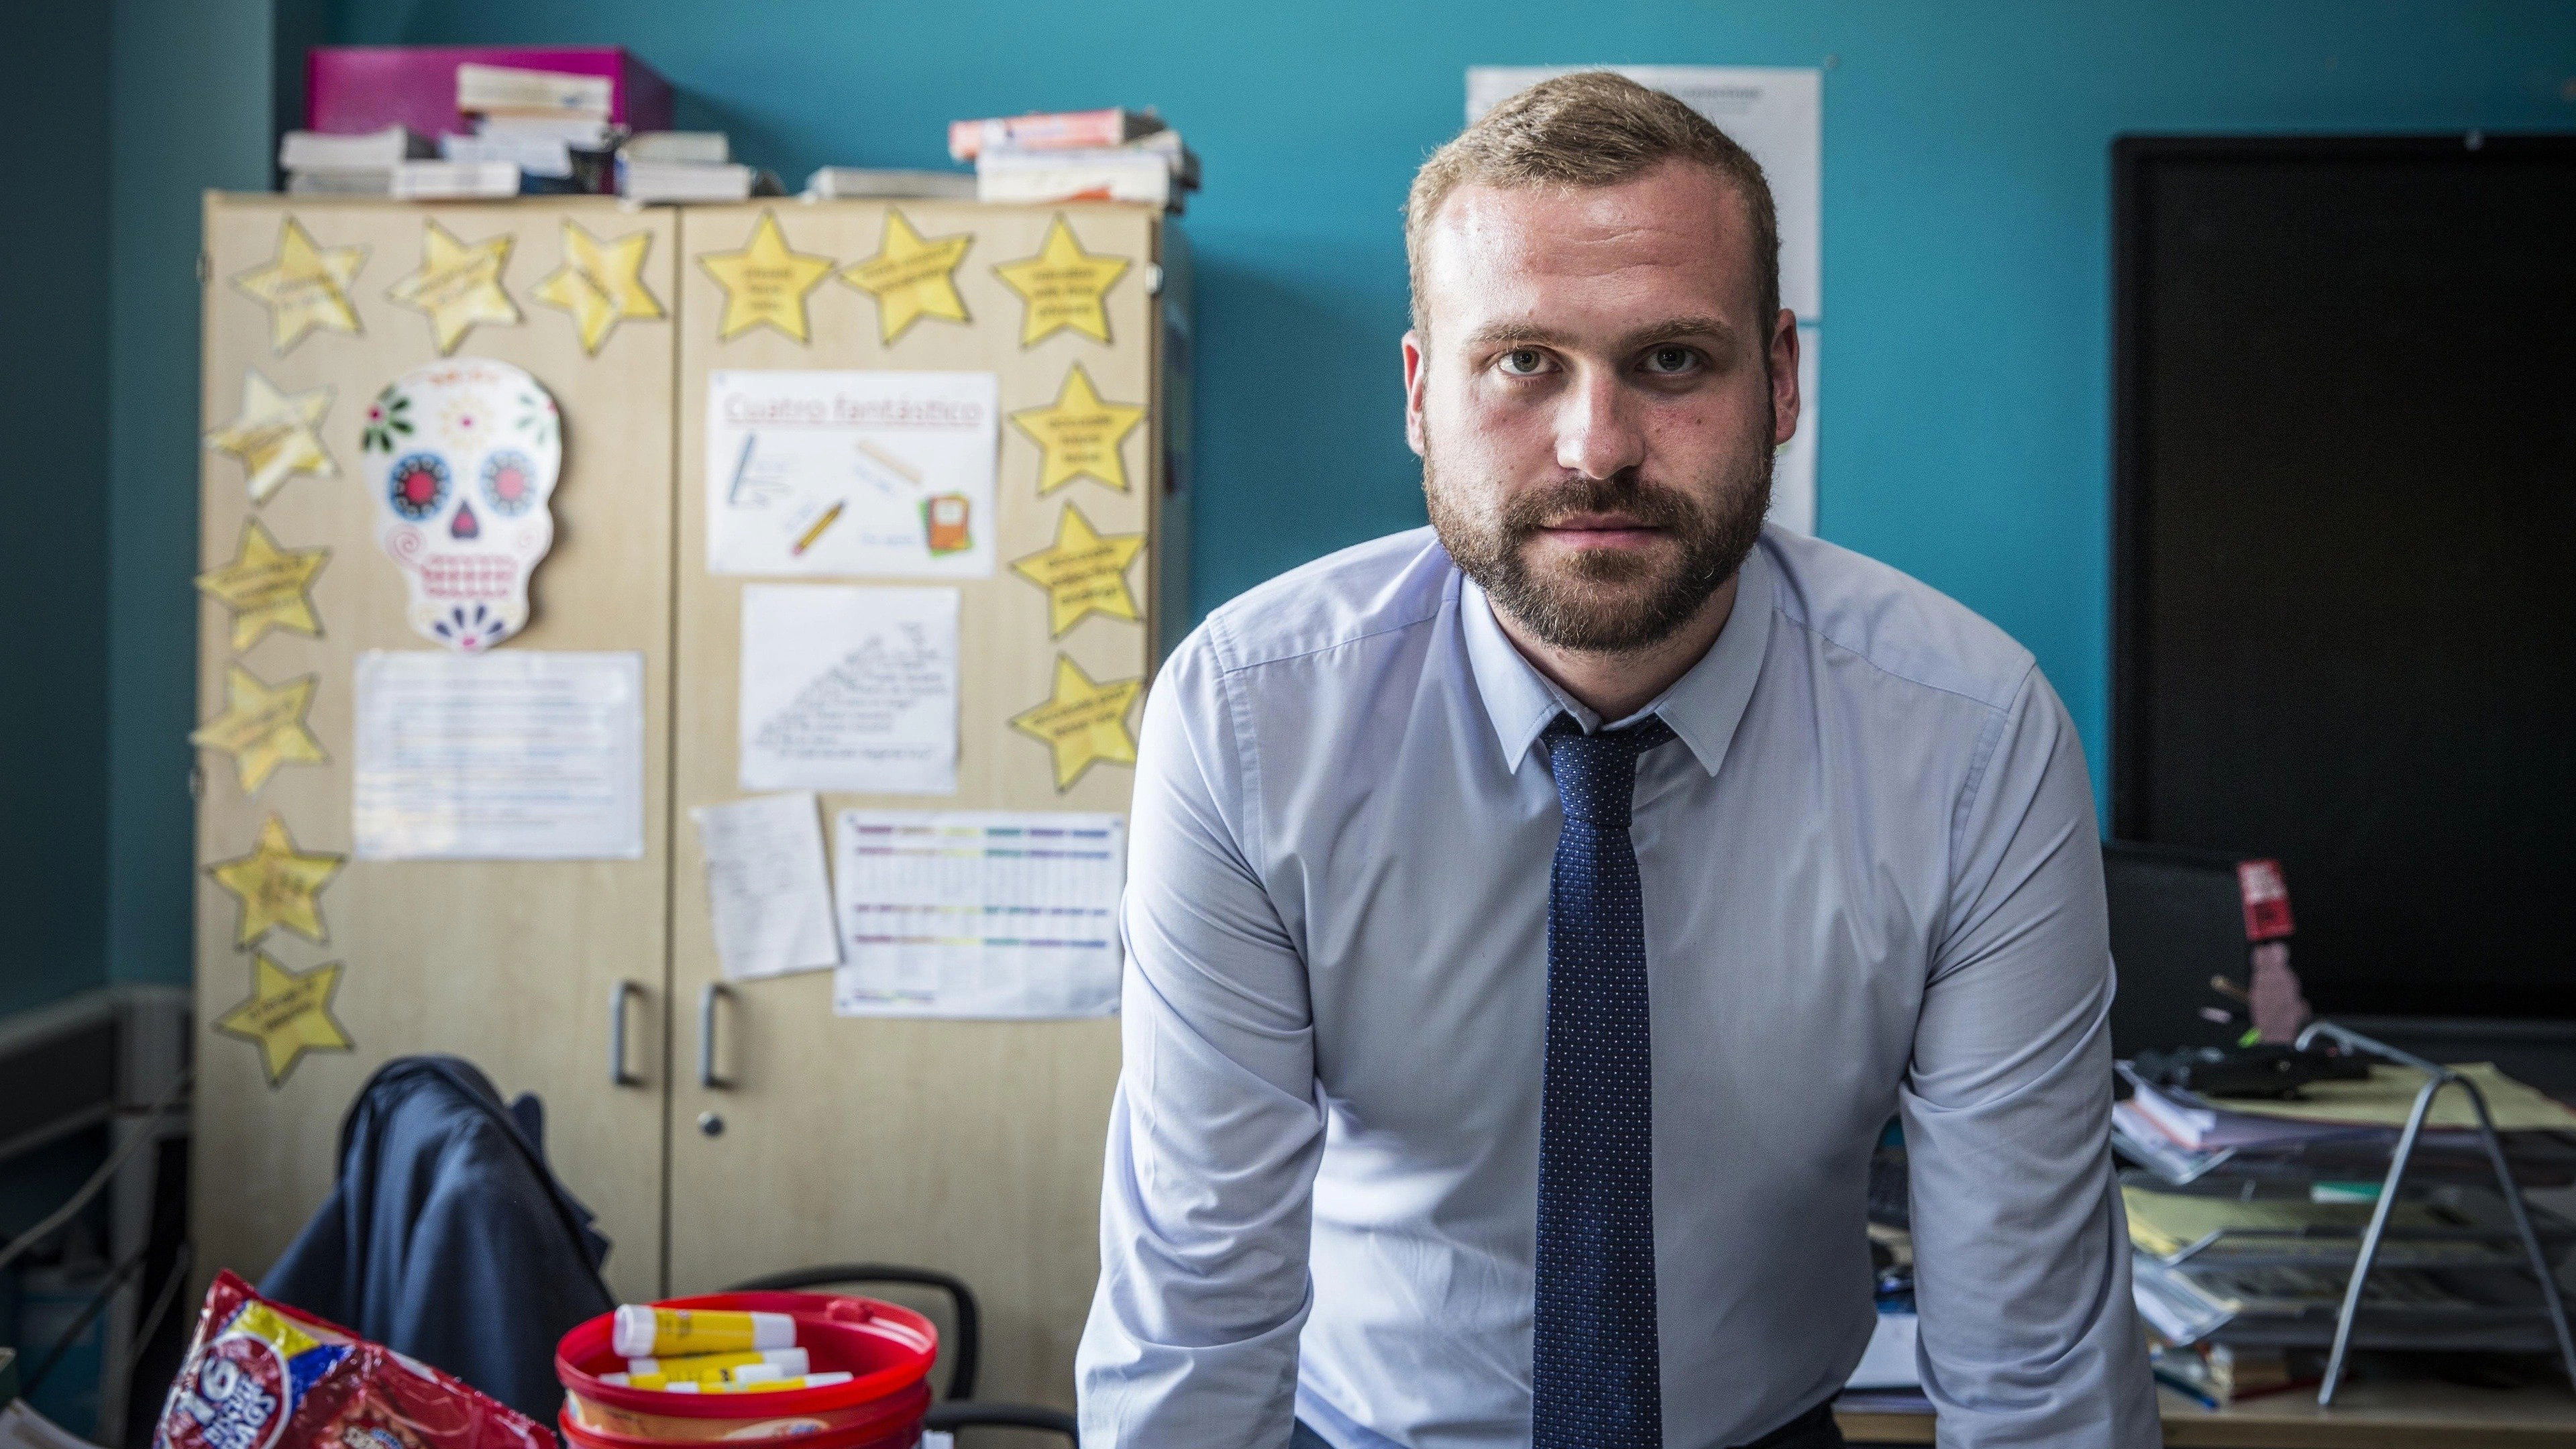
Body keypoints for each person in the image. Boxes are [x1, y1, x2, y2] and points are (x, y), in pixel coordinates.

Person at [1076, 71, 2156, 1449]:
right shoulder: (1248, 722)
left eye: (1672, 361)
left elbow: (2036, 1353)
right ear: (1423, 395)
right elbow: (1197, 1317)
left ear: (1779, 380)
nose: (1598, 448)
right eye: (1524, 361)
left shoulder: (1969, 738)